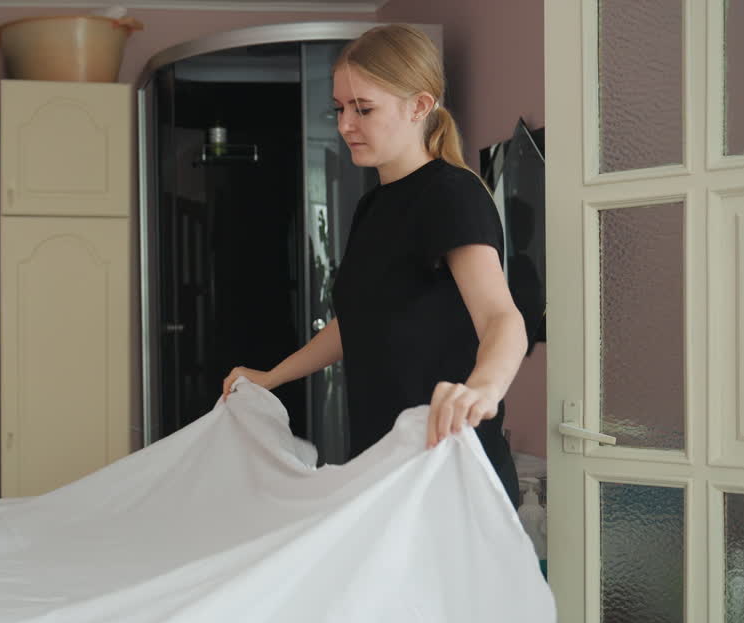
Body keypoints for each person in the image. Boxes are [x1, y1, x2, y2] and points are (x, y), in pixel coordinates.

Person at [222, 24, 528, 506]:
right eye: (340, 108)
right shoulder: (373, 206)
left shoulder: (452, 195)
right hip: (383, 465)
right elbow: (357, 323)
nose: (345, 124)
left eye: (363, 109)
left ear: (419, 107)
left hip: (450, 473)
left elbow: (501, 318)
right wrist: (270, 377)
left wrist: (482, 390)